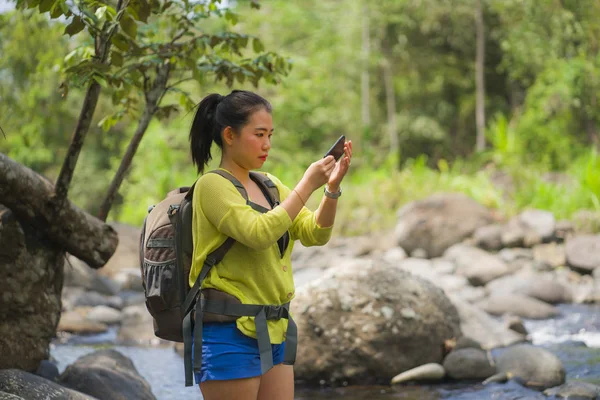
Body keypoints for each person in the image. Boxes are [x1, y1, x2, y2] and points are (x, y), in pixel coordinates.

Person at [188, 90, 352, 400]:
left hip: (274, 329)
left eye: (270, 135)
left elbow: (315, 232)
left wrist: (330, 190)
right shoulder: (212, 186)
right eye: (259, 134)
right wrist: (306, 185)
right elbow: (258, 232)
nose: (267, 144)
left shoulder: (269, 184)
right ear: (229, 135)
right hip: (227, 333)